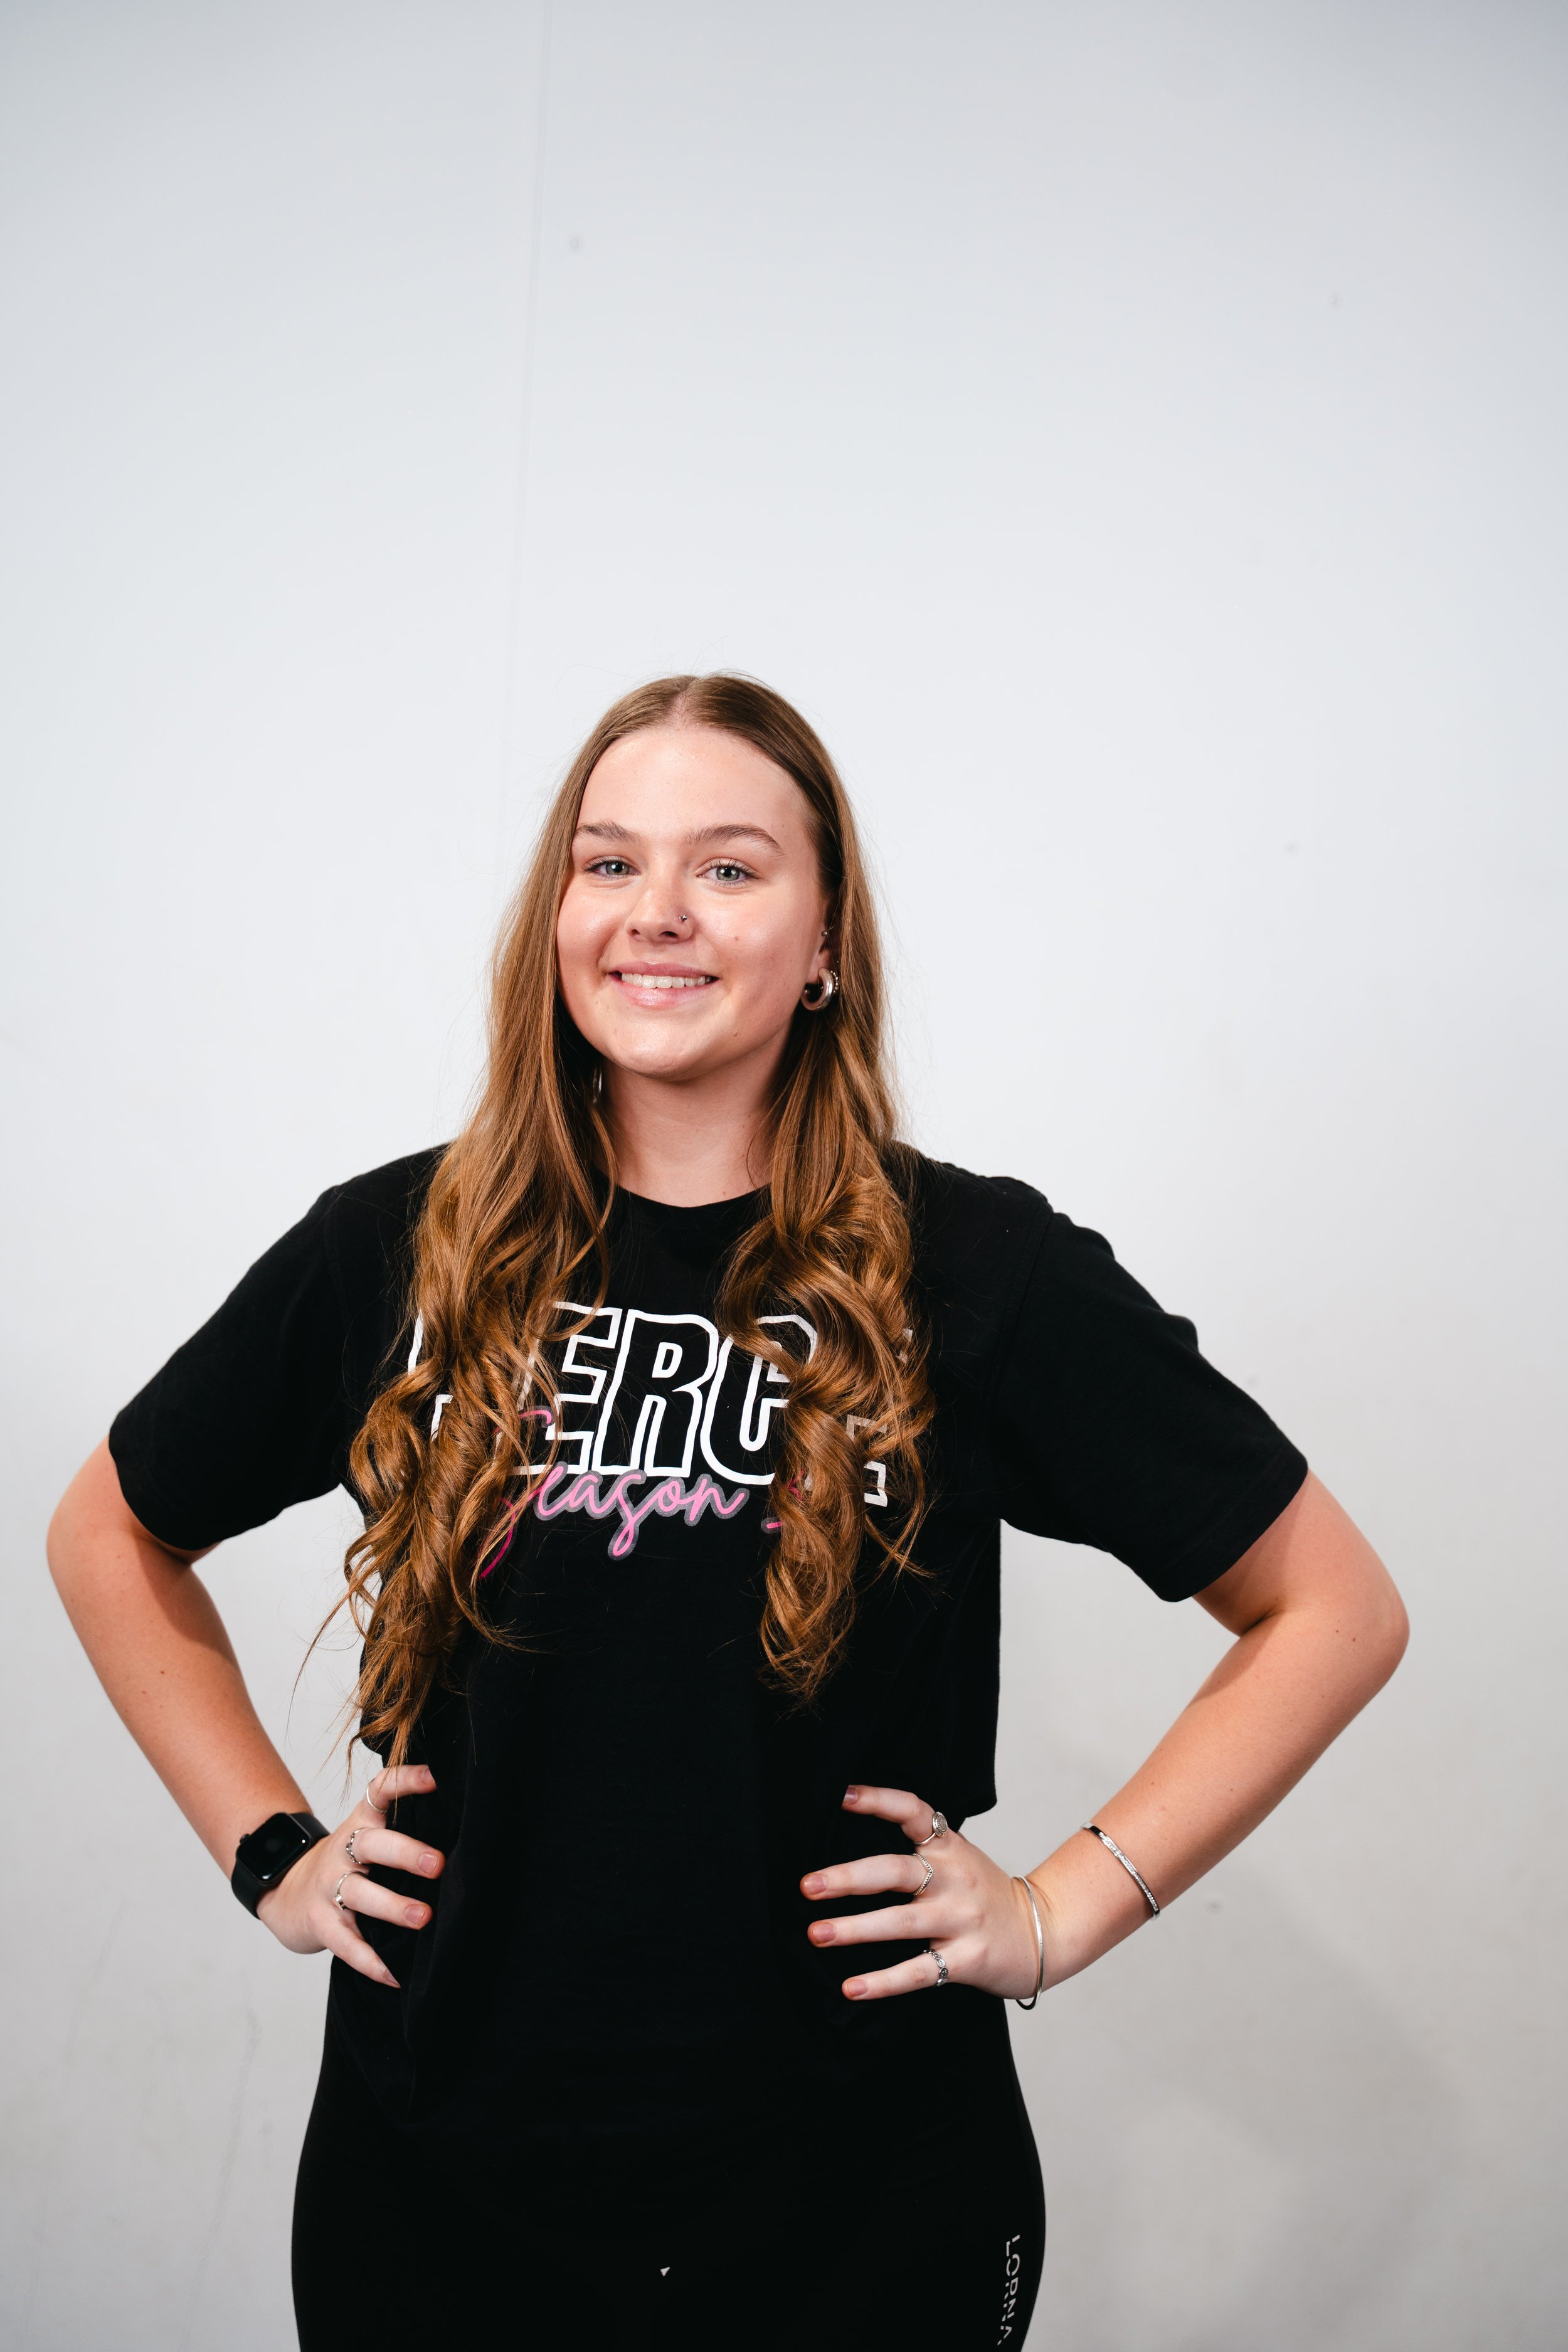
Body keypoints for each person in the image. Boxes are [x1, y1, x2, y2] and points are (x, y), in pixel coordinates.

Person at [48, 674, 1407, 2351]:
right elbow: (109, 1529)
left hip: (855, 2195)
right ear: (557, 918)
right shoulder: (395, 1250)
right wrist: (269, 1851)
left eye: (732, 868)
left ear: (826, 942)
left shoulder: (973, 1272)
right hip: (447, 2183)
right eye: (607, 865)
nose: (657, 915)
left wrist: (1059, 1908)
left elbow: (1331, 1609)